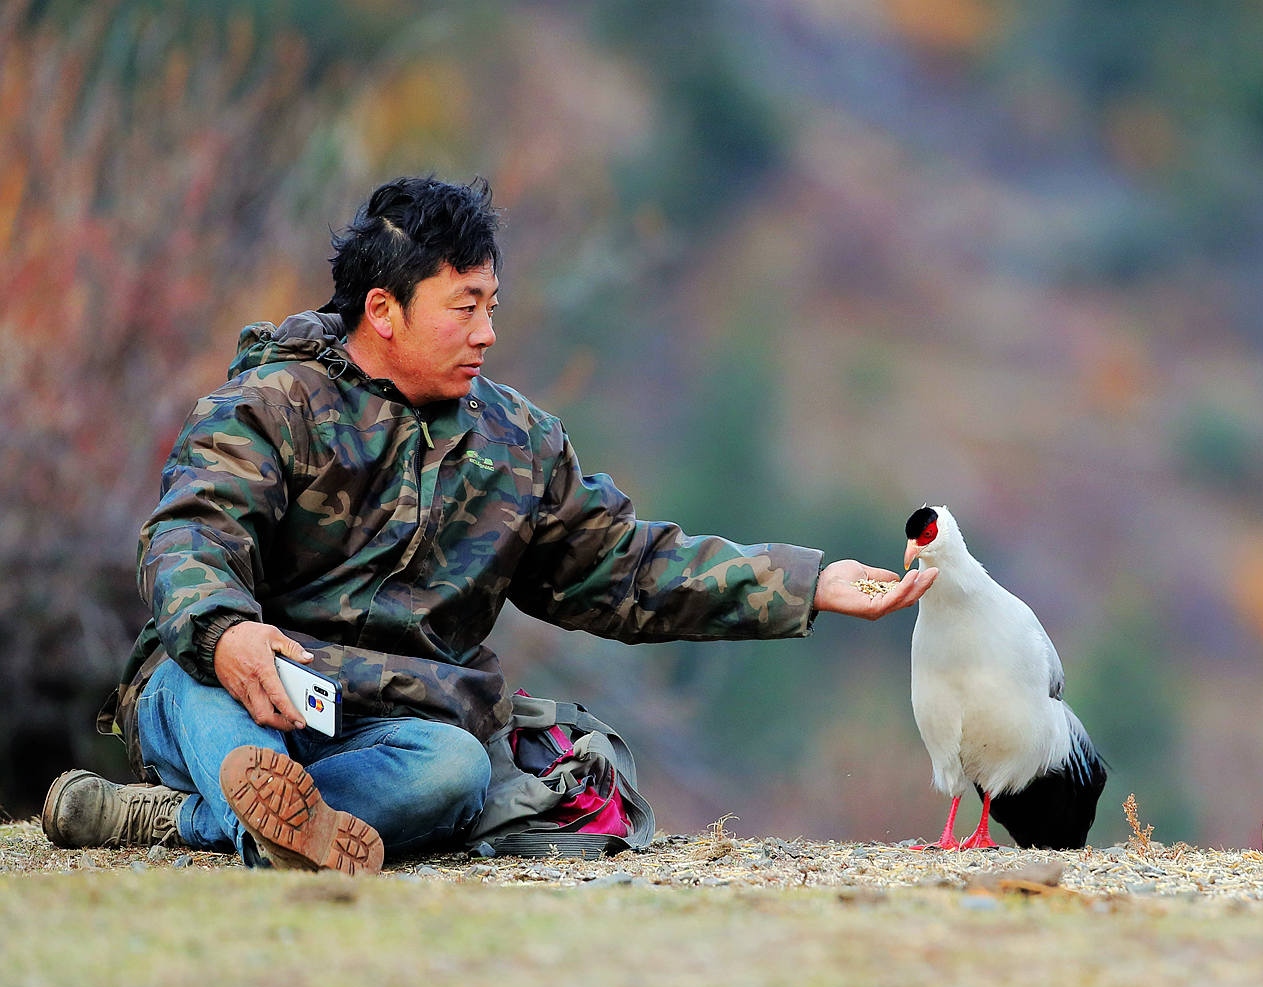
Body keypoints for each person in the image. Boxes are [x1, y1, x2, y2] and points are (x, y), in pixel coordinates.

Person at [41, 175, 936, 874]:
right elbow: (190, 533)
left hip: (380, 720)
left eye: (492, 306)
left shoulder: (518, 444)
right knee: (232, 718)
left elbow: (624, 567)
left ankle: (190, 820)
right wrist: (226, 632)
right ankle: (243, 803)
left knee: (455, 772)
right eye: (463, 308)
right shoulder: (273, 405)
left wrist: (803, 583)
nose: (486, 333)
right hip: (222, 679)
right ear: (383, 313)